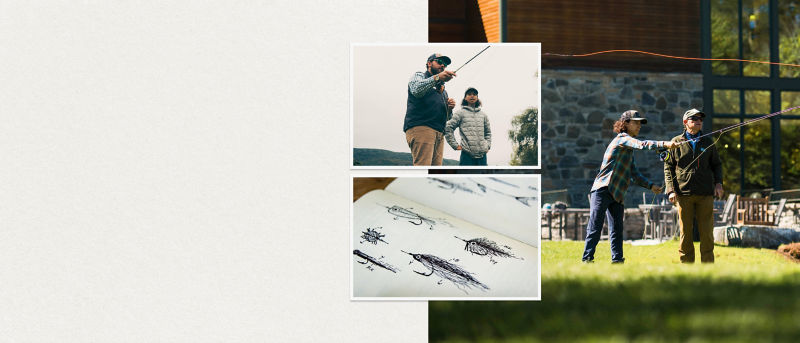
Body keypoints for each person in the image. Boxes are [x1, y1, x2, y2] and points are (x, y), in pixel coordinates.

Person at [581, 110, 678, 263]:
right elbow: (642, 144)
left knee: (617, 230)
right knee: (595, 226)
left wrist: (650, 186)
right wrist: (664, 144)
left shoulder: (628, 148)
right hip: (602, 190)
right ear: (625, 123)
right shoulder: (622, 139)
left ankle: (618, 261)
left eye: (640, 123)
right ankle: (587, 259)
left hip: (617, 193)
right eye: (636, 122)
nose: (639, 125)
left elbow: (634, 173)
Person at [664, 109, 724, 263]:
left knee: (707, 233)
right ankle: (687, 266)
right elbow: (668, 167)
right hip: (683, 194)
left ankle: (707, 268)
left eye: (701, 119)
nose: (699, 121)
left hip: (705, 194)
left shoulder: (708, 142)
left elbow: (717, 165)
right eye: (694, 118)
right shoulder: (675, 142)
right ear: (685, 122)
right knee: (685, 233)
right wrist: (670, 190)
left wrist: (718, 184)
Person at [403, 53, 457, 166]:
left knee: (435, 171)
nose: (443, 65)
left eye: (445, 64)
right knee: (423, 167)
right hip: (422, 127)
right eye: (439, 62)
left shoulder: (443, 90)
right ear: (429, 63)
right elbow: (416, 89)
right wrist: (437, 78)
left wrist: (450, 109)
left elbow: (448, 117)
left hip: (439, 133)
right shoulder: (419, 75)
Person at [444, 87, 491, 166]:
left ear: (477, 97)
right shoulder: (460, 113)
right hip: (467, 155)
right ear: (465, 98)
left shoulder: (483, 115)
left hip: (482, 156)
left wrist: (488, 146)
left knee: (481, 178)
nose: (472, 96)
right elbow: (448, 128)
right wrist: (455, 145)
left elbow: (488, 133)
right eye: (469, 94)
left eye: (474, 94)